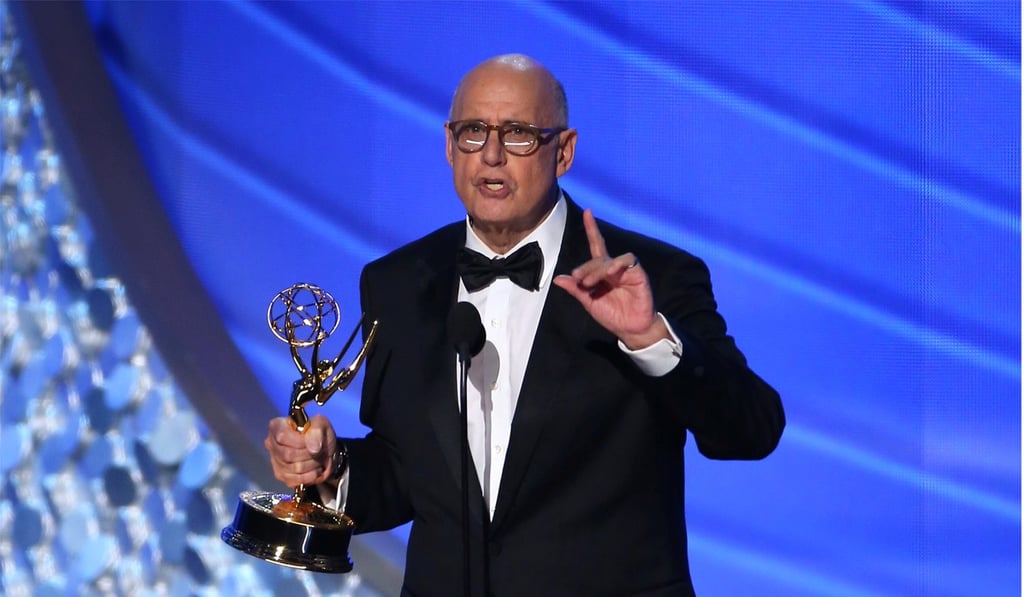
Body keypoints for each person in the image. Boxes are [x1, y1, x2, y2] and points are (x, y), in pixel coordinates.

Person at [265, 53, 785, 596]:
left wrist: (648, 338)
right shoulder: (396, 283)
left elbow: (751, 430)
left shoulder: (650, 276)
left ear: (563, 152)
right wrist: (333, 468)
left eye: (517, 134)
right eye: (472, 132)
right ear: (448, 146)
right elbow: (408, 471)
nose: (490, 156)